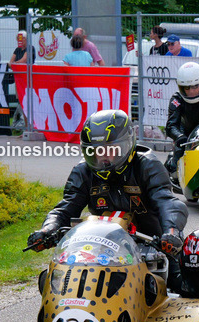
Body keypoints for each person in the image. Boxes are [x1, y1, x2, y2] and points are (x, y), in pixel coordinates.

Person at [27, 110, 188, 274]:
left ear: (126, 146)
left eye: (110, 150)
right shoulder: (83, 171)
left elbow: (168, 203)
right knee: (59, 280)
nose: (103, 157)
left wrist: (171, 232)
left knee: (181, 282)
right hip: (101, 250)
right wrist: (47, 230)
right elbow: (65, 208)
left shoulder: (147, 165)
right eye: (96, 151)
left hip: (151, 247)